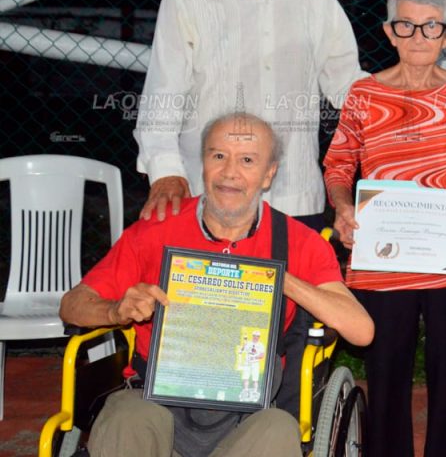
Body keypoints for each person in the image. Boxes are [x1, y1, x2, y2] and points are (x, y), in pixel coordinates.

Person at [60, 113, 374, 457]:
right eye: (218, 156)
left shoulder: (299, 242)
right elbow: (73, 304)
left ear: (269, 174)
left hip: (249, 411)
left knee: (278, 430)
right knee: (125, 417)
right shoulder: (154, 232)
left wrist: (280, 279)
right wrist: (116, 310)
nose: (230, 173)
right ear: (203, 163)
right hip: (155, 397)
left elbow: (361, 331)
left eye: (248, 160)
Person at [323, 0, 446, 457]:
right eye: (406, 26)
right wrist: (343, 206)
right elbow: (339, 164)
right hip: (384, 258)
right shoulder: (363, 95)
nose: (418, 38)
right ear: (389, 32)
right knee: (385, 375)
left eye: (431, 27)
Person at [134, 0, 363, 231]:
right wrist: (165, 173)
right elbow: (164, 93)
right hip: (210, 196)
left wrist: (412, 106)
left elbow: (346, 86)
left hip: (294, 196)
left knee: (291, 291)